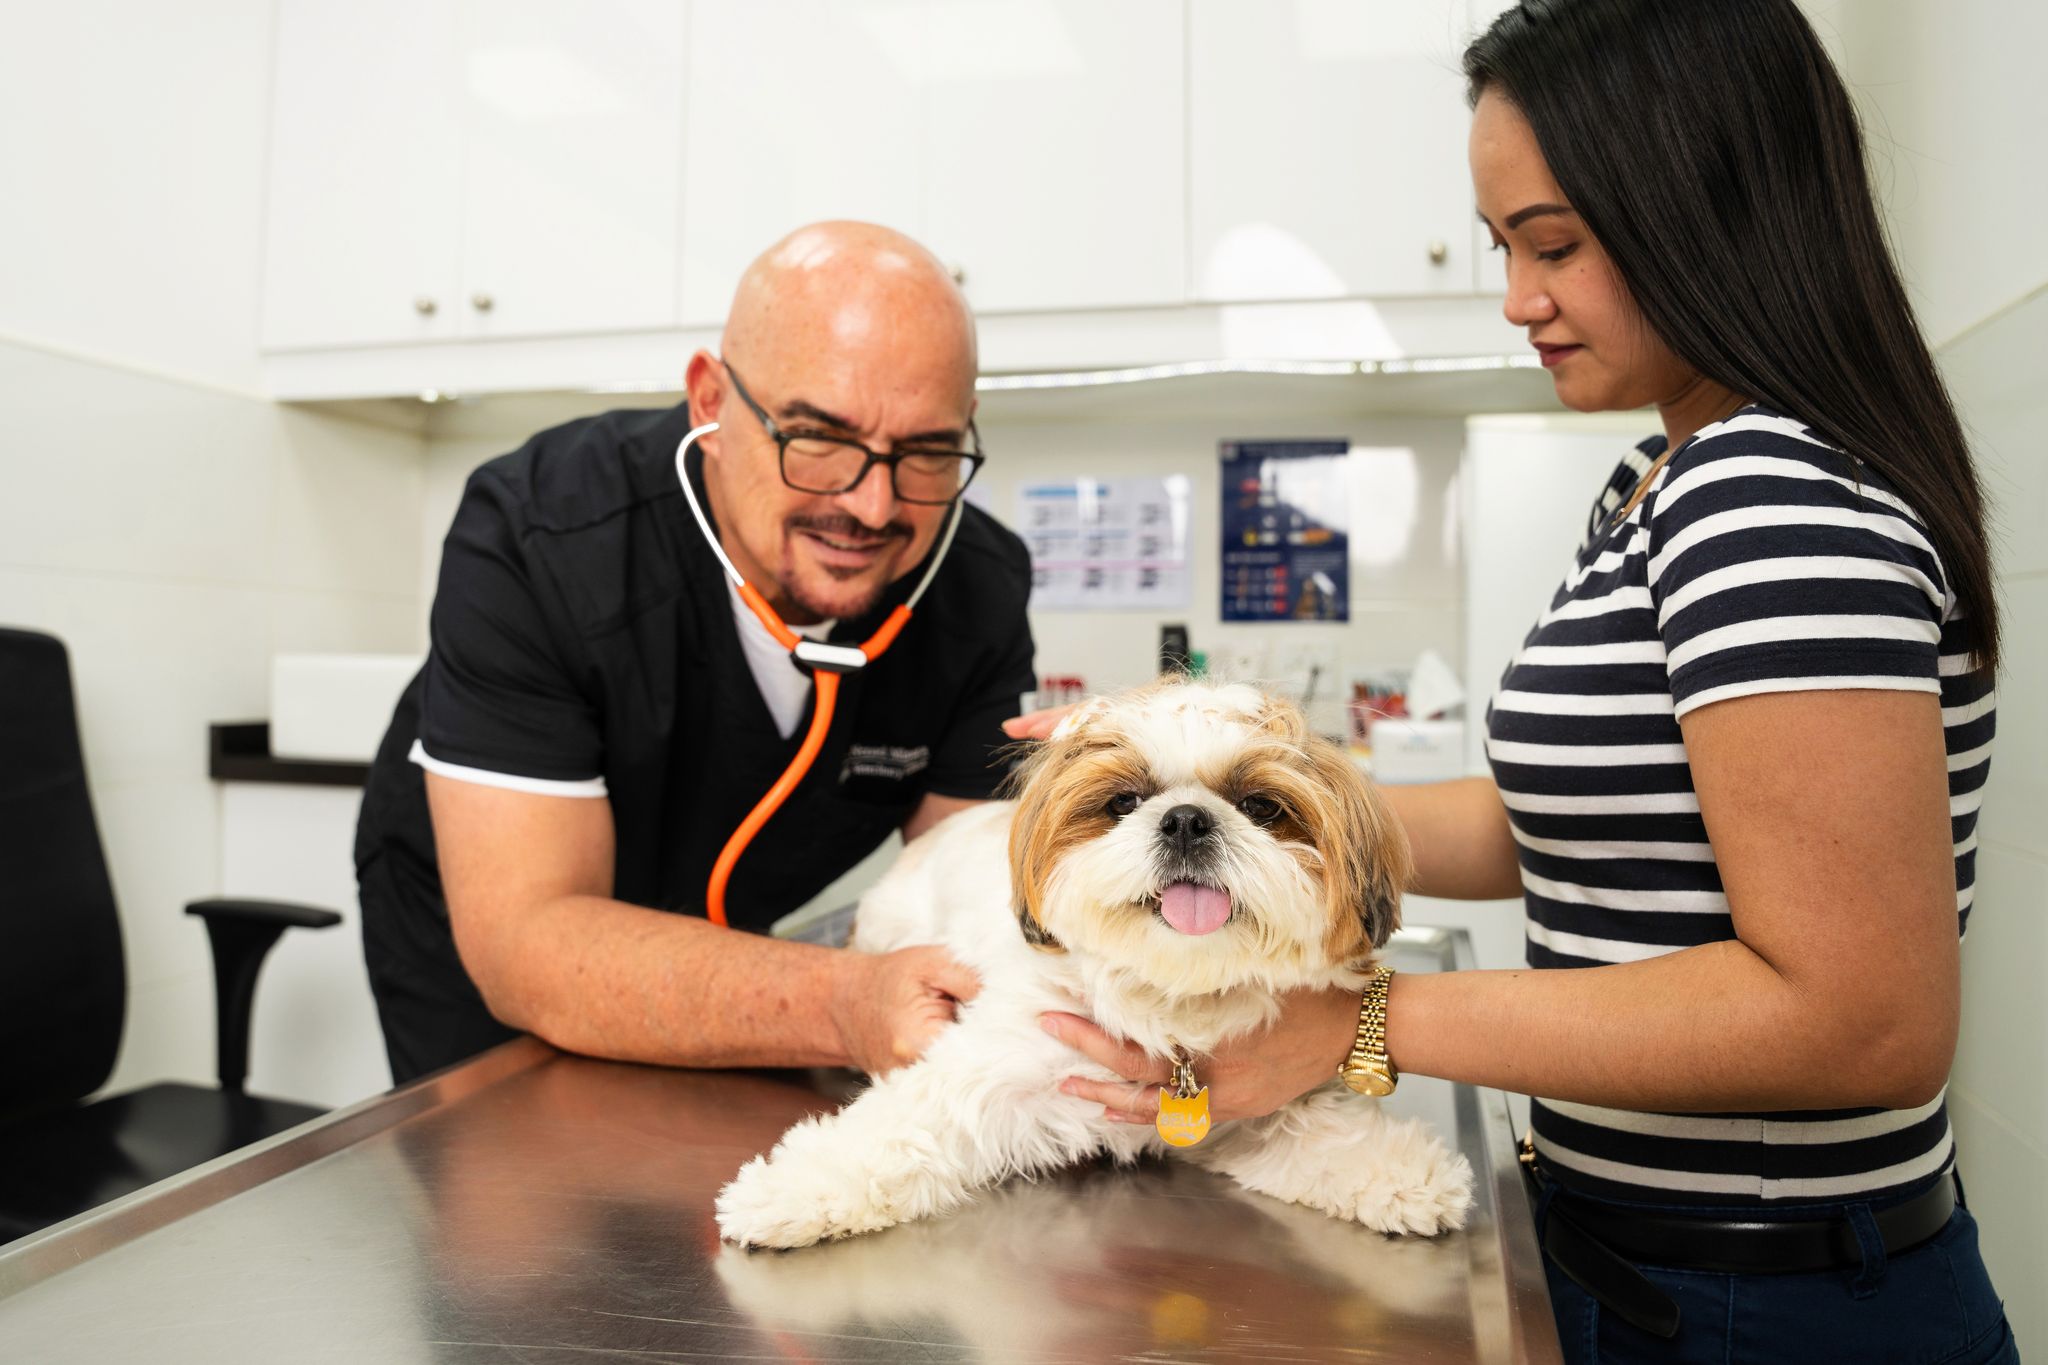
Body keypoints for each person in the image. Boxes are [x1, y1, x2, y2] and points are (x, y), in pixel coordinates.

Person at [1024, 2, 2017, 1359]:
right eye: (1504, 247)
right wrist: (1235, 790)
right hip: (1650, 1264)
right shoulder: (1662, 482)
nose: (1517, 298)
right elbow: (1563, 819)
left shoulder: (1769, 499)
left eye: (1553, 245)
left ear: (1709, 211)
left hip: (1774, 1303)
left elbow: (1863, 1021)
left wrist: (1361, 1024)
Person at [355, 222, 1034, 1086]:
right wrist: (840, 1002)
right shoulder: (541, 535)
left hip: (739, 948)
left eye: (928, 452)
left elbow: (970, 893)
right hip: (488, 931)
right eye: (816, 437)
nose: (871, 506)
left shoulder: (977, 588)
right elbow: (532, 938)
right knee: (513, 1193)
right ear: (711, 405)